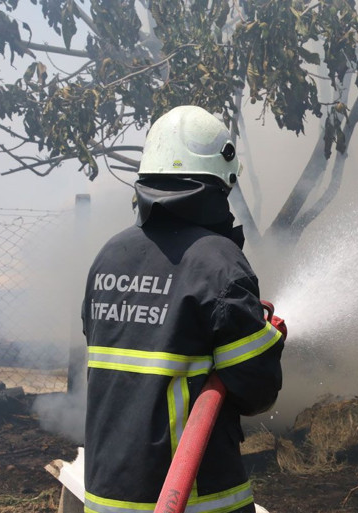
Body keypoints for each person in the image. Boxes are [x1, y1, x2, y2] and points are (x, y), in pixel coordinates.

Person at [81, 105, 284, 513]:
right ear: (221, 181)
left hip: (104, 497)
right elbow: (255, 390)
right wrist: (268, 341)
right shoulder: (217, 262)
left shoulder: (109, 256)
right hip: (195, 500)